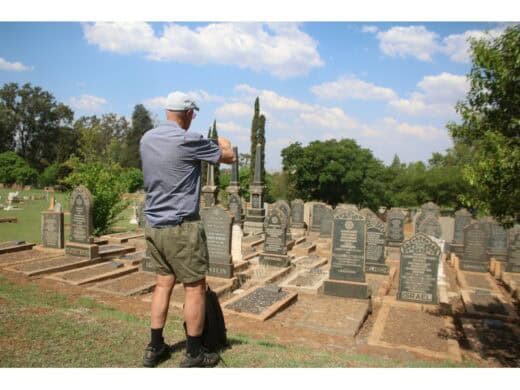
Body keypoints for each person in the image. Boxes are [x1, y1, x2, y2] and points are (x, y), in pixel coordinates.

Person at [139, 91, 235, 368]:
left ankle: (155, 347)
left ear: (168, 111)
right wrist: (223, 142)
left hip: (154, 225)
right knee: (195, 288)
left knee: (162, 283)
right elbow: (228, 158)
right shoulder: (189, 139)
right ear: (189, 114)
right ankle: (194, 353)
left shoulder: (147, 138)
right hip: (181, 226)